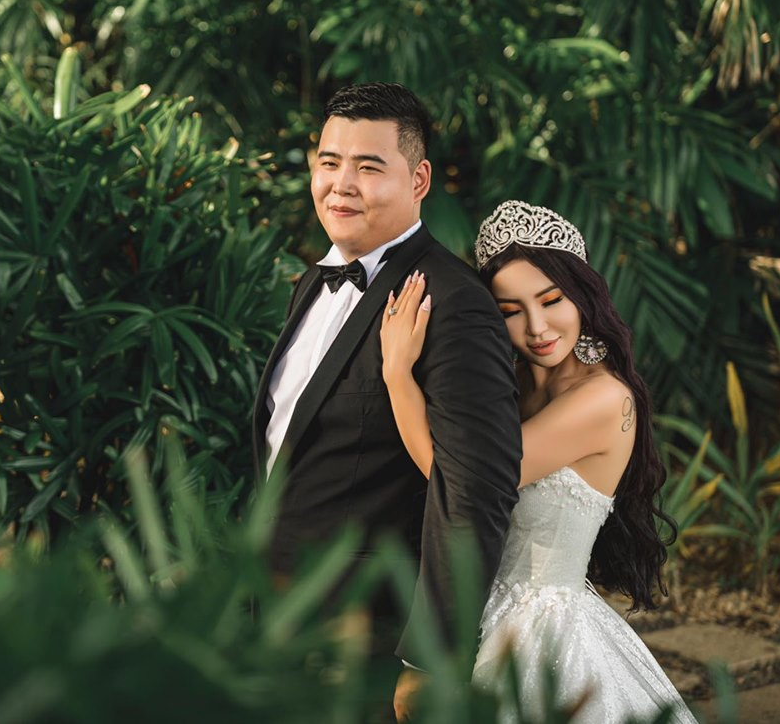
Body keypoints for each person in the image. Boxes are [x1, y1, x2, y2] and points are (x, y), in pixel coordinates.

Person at [251, 83, 522, 719]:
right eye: (329, 162)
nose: (341, 185)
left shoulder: (454, 304)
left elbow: (475, 493)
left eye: (369, 167)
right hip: (282, 617)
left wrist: (430, 655)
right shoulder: (311, 283)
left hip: (371, 633)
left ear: (419, 179)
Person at [380, 200, 698, 723]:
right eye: (510, 310)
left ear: (583, 296)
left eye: (552, 301)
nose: (537, 327)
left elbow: (462, 480)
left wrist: (398, 375)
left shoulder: (604, 399)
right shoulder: (513, 384)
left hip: (542, 636)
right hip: (474, 611)